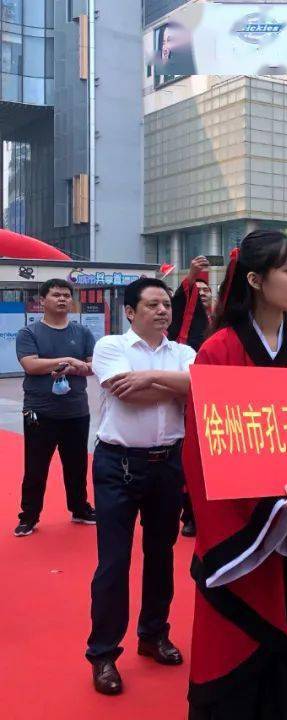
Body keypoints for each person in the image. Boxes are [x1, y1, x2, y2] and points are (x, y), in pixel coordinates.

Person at [182, 231, 287, 719]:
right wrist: (267, 508)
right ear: (255, 279)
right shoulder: (218, 352)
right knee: (235, 651)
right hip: (244, 529)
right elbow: (203, 454)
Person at [85, 278, 196, 695]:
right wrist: (174, 386)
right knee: (113, 563)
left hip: (167, 463)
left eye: (166, 304)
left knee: (161, 556)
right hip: (118, 465)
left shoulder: (184, 351)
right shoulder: (111, 347)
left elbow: (198, 390)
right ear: (131, 312)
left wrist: (149, 378)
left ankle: (153, 634)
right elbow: (126, 395)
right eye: (152, 305)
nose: (163, 311)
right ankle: (103, 654)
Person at [14, 278, 96, 537]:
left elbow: (93, 366)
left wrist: (77, 367)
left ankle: (80, 508)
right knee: (35, 466)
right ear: (42, 301)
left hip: (76, 410)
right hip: (38, 411)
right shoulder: (29, 333)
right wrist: (68, 360)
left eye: (66, 295)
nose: (62, 299)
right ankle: (28, 516)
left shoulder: (82, 333)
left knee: (77, 464)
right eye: (56, 295)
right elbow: (30, 365)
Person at [170, 257, 214, 539]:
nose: (202, 295)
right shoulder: (186, 328)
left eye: (206, 291)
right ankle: (190, 514)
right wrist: (191, 277)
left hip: (218, 397)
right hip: (190, 393)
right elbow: (181, 305)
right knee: (190, 454)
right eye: (196, 292)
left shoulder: (223, 321)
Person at [168, 255, 212, 352]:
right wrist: (192, 275)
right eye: (198, 290)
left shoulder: (219, 317)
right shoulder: (182, 316)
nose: (202, 293)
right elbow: (180, 299)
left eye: (205, 290)